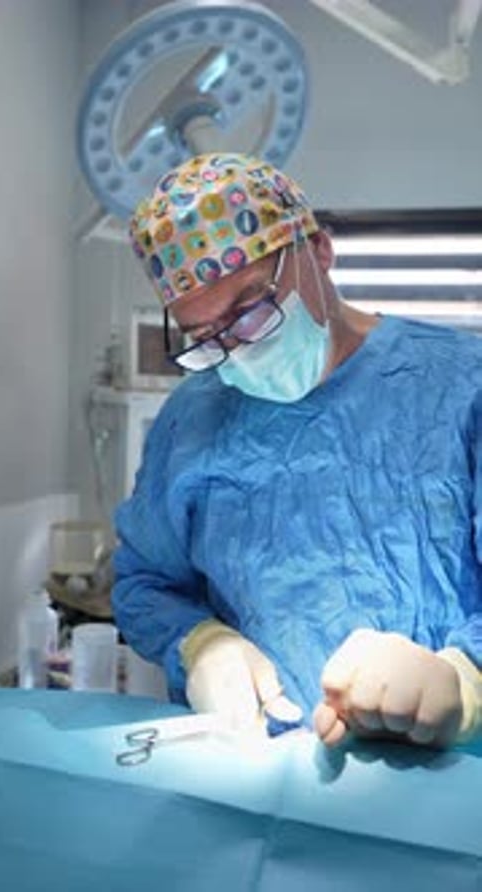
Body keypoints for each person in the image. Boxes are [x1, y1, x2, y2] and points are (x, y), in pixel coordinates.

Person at [113, 152, 482, 748]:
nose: (237, 350)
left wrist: (462, 678)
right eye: (206, 337)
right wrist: (202, 643)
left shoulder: (463, 387)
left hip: (448, 796)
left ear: (318, 251)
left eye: (251, 310)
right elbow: (145, 582)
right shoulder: (192, 417)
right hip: (254, 781)